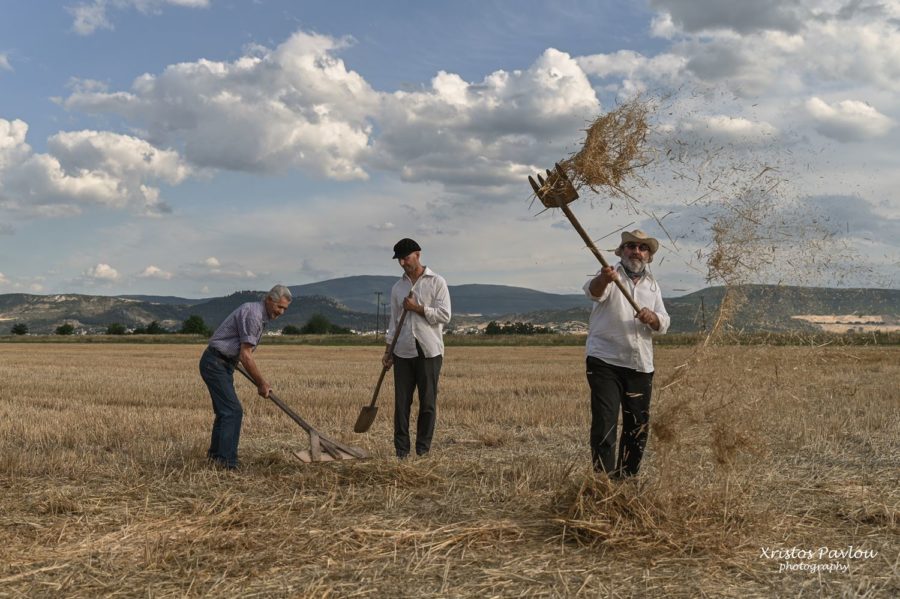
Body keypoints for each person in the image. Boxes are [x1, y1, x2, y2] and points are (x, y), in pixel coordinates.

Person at [583, 230, 670, 478]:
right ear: (621, 252)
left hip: (640, 365)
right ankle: (603, 482)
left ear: (649, 257)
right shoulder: (609, 275)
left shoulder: (653, 286)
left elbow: (663, 322)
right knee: (605, 423)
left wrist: (652, 318)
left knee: (637, 427)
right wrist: (604, 279)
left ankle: (627, 482)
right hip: (604, 362)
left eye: (643, 248)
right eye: (631, 246)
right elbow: (593, 292)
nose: (637, 251)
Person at [199, 284, 292, 469]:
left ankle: (216, 458)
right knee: (232, 411)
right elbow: (246, 354)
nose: (281, 312)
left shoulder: (257, 313)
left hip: (222, 363)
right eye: (279, 307)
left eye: (285, 309)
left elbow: (241, 353)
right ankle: (227, 464)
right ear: (269, 300)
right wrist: (261, 383)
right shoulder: (254, 315)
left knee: (224, 413)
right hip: (215, 363)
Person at [382, 238, 451, 459]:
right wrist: (388, 350)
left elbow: (444, 315)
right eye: (399, 260)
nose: (403, 263)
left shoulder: (437, 282)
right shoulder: (397, 287)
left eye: (406, 258)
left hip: (429, 350)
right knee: (401, 405)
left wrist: (417, 308)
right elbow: (393, 322)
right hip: (402, 350)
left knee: (428, 403)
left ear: (418, 255)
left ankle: (423, 451)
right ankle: (401, 452)